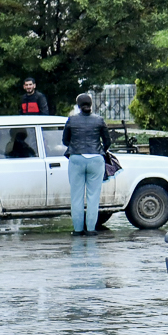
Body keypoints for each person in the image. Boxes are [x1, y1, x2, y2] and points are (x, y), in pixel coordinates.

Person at [62, 92, 111, 235]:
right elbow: (107, 141)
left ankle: (77, 230)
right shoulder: (99, 120)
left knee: (76, 197)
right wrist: (100, 150)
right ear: (91, 104)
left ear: (78, 105)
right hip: (96, 159)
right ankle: (90, 230)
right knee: (93, 197)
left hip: (76, 158)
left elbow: (65, 141)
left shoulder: (72, 120)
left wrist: (75, 146)